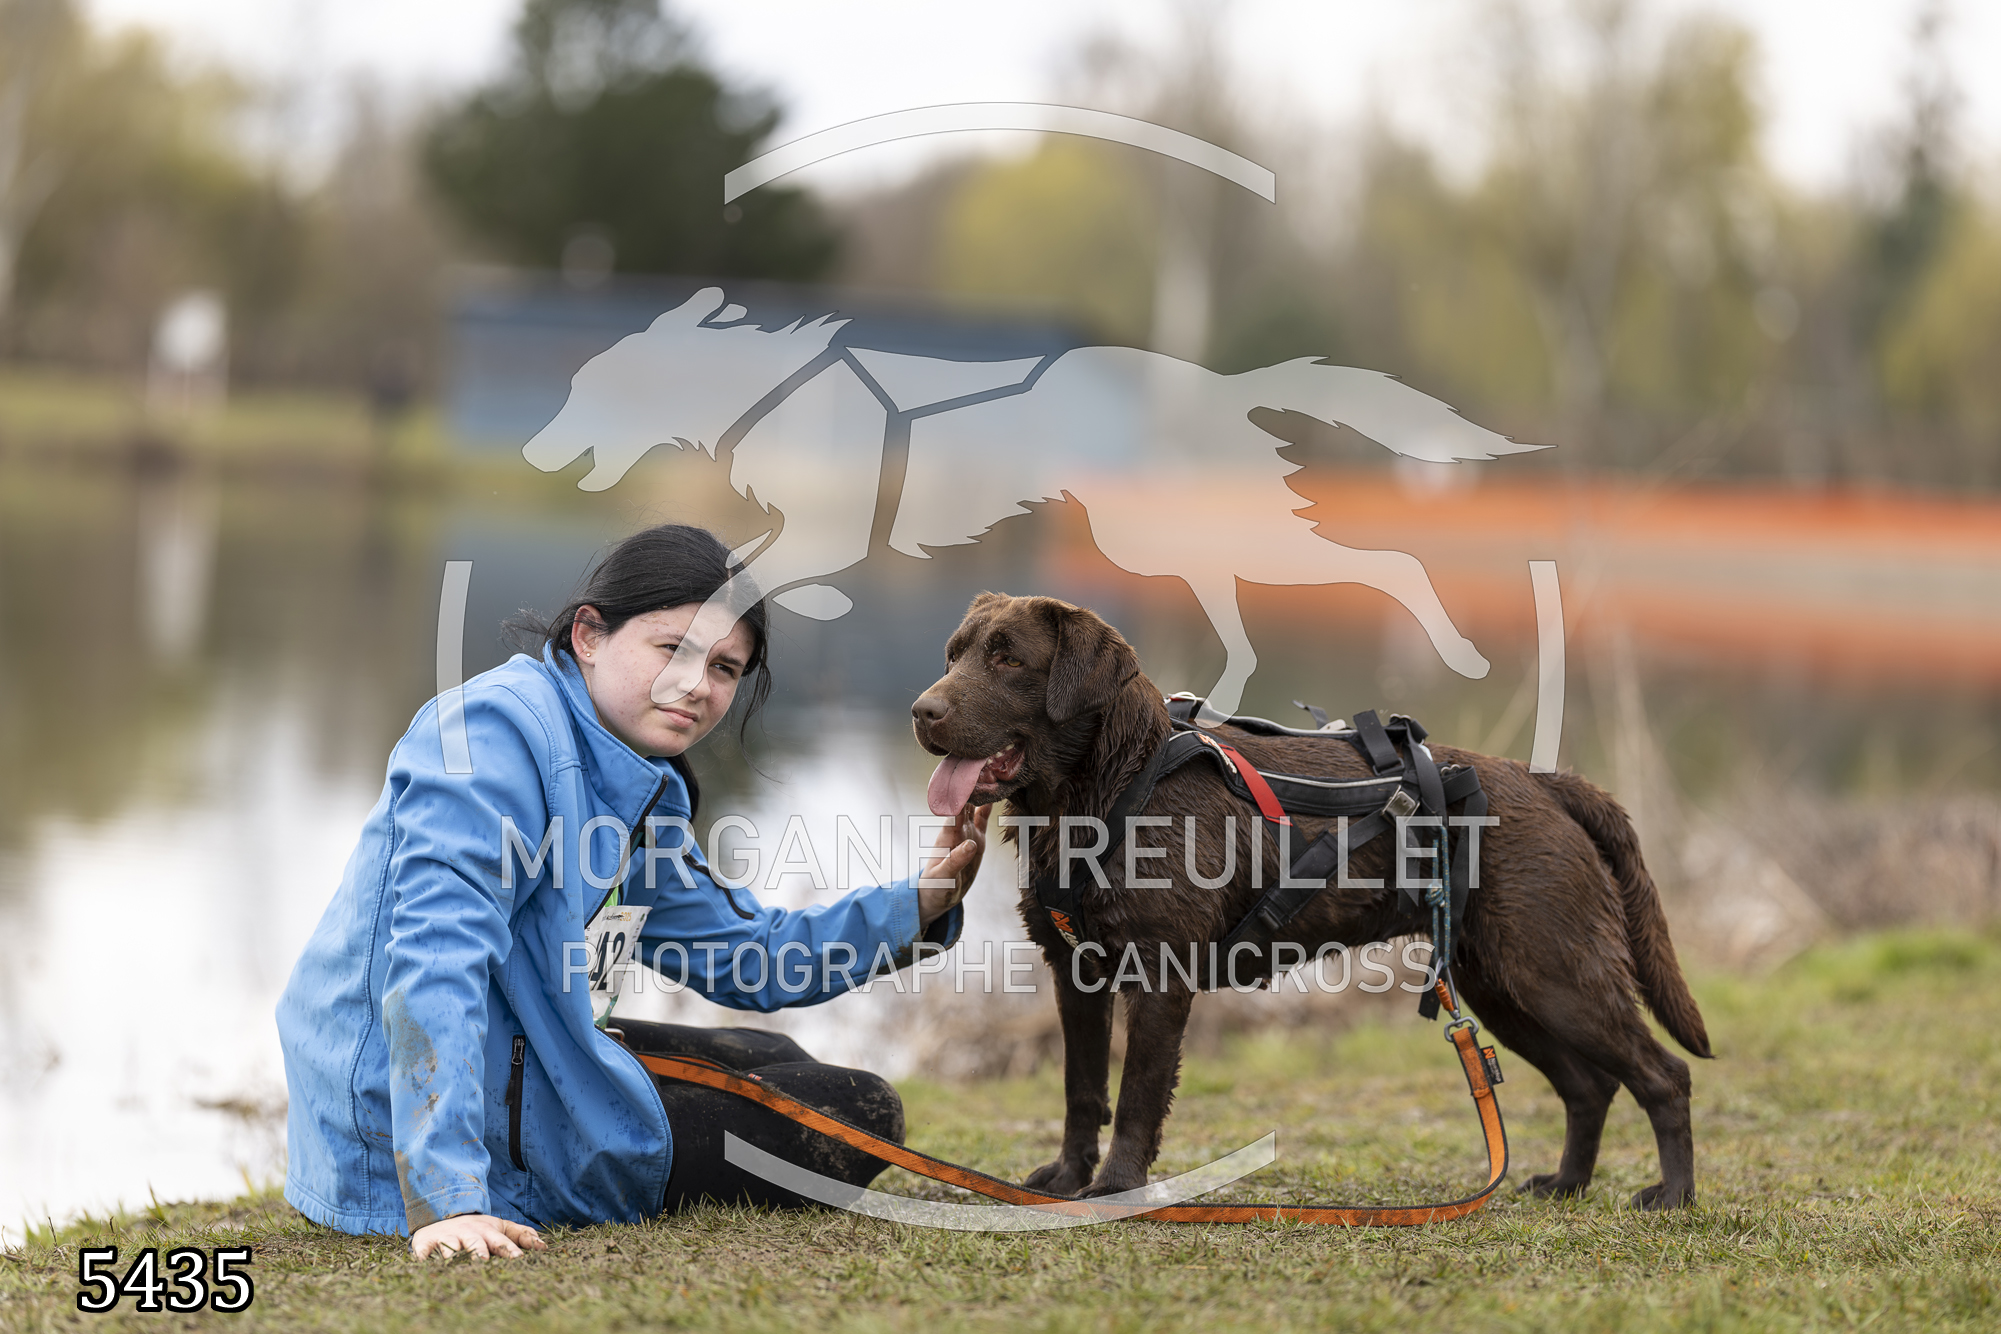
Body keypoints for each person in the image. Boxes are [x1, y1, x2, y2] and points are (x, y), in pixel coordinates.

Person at [276, 524, 989, 1259]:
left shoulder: (631, 778)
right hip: (389, 1147)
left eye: (724, 667)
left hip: (515, 1064)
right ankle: (479, 1184)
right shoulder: (491, 735)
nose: (697, 685)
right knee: (859, 1112)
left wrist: (919, 904)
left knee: (776, 1056)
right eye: (672, 648)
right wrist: (446, 1198)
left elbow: (746, 956)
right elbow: (436, 957)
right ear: (589, 635)